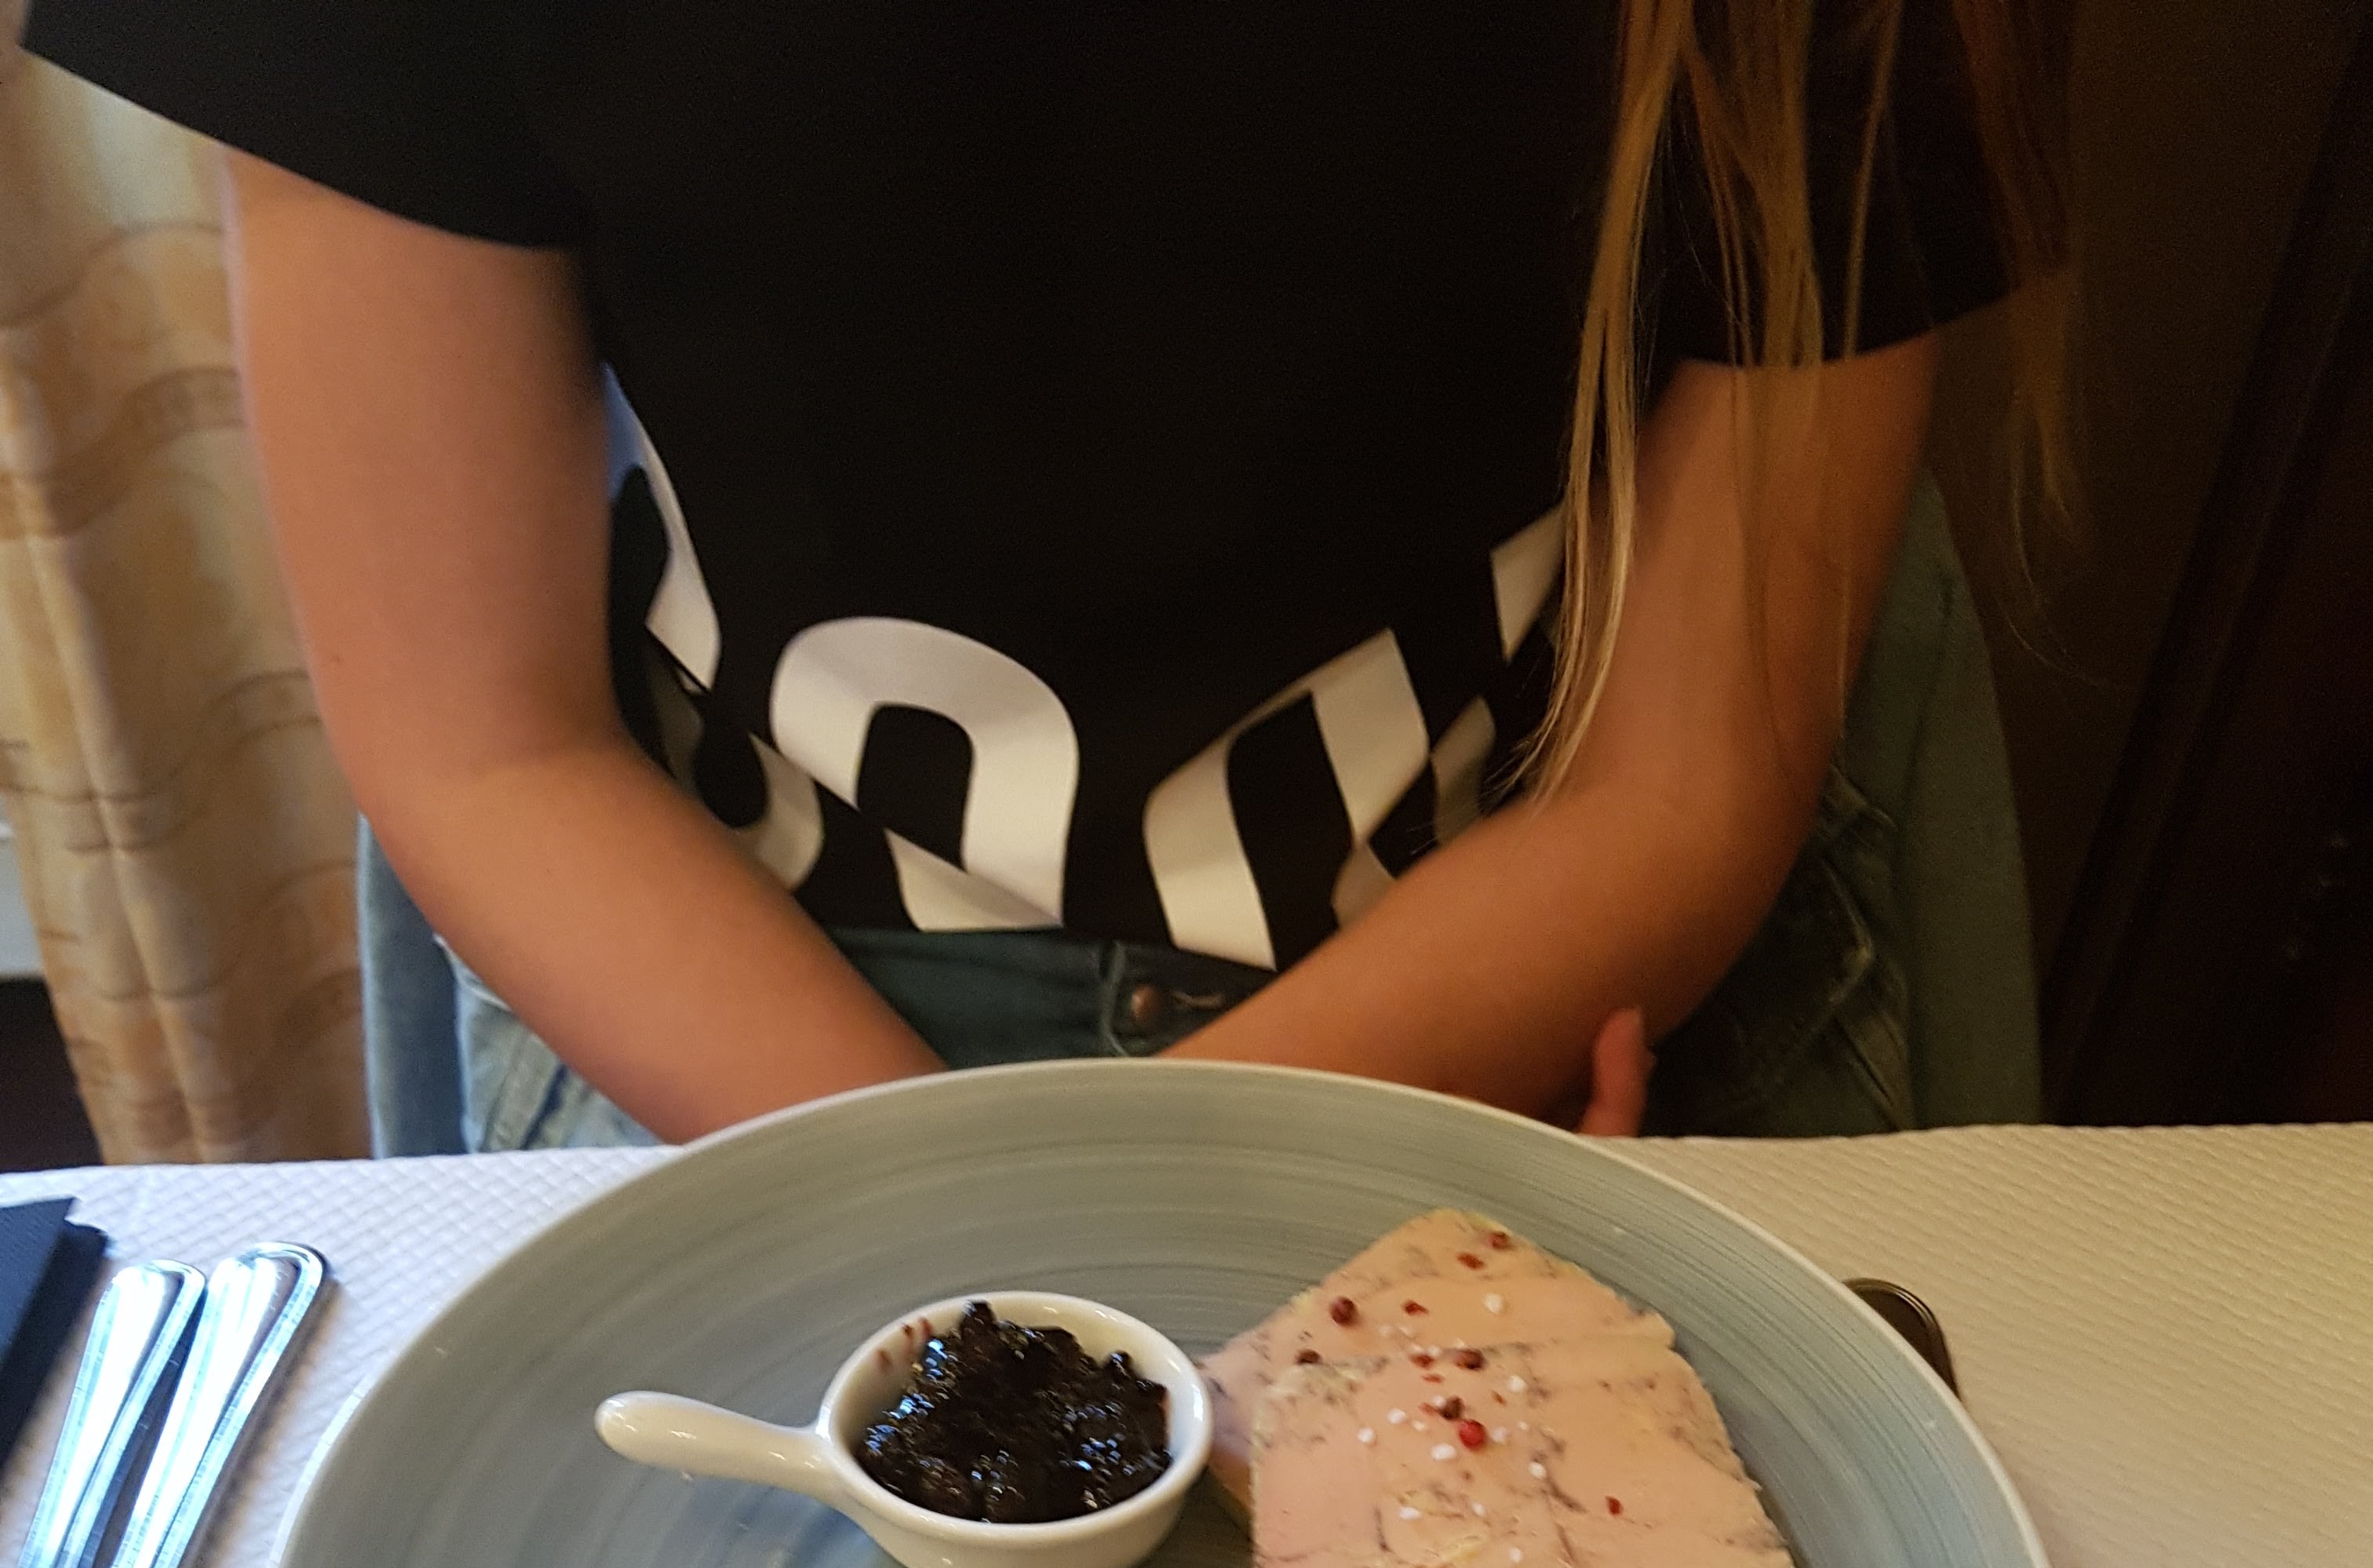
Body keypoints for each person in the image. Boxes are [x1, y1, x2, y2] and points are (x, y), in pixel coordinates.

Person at [27, 3, 2068, 1152]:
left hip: (1509, 946)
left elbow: (1681, 784)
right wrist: (1029, 1232)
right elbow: (481, 744)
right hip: (722, 958)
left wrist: (1107, 1213)